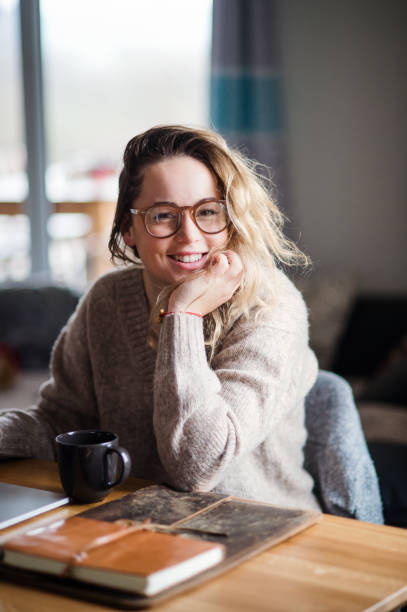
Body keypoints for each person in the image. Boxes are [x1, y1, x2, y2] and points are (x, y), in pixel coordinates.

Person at [0, 125, 321, 511]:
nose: (189, 236)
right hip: (141, 525)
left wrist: (182, 315)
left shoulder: (270, 307)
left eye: (207, 212)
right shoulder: (106, 300)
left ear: (231, 219)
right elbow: (59, 424)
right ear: (129, 230)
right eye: (163, 215)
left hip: (265, 534)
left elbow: (197, 467)